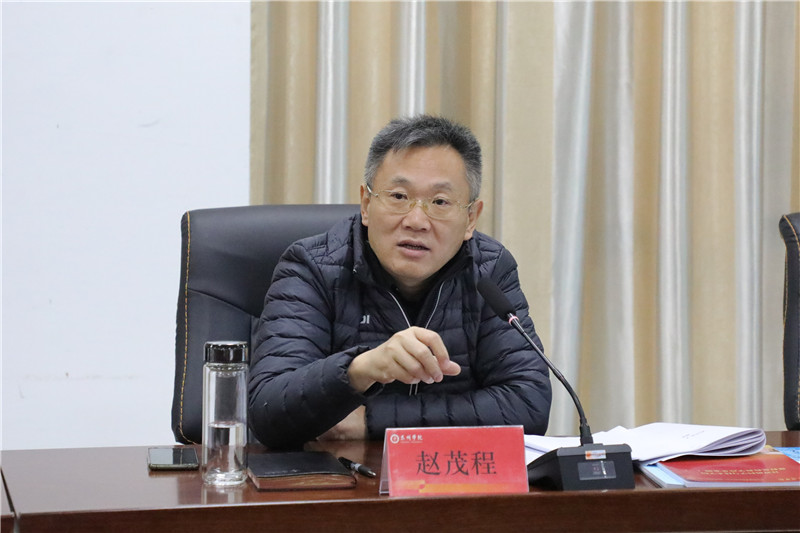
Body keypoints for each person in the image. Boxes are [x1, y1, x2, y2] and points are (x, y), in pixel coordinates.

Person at [248, 115, 552, 449]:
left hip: (451, 476)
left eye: (440, 202)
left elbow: (528, 404)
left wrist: (374, 419)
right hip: (338, 477)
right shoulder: (312, 268)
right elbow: (267, 412)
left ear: (470, 219)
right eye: (398, 196)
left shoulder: (490, 269)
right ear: (366, 204)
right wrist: (359, 370)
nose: (416, 220)